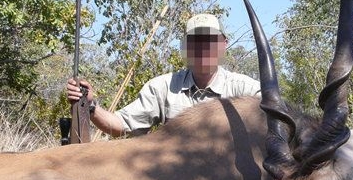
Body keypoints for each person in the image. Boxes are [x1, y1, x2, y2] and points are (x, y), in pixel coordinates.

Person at [67, 13, 261, 136]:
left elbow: (279, 126)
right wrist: (90, 105)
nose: (203, 48)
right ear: (185, 47)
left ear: (223, 44)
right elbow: (121, 125)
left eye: (210, 41)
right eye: (195, 41)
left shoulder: (246, 90)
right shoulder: (163, 87)